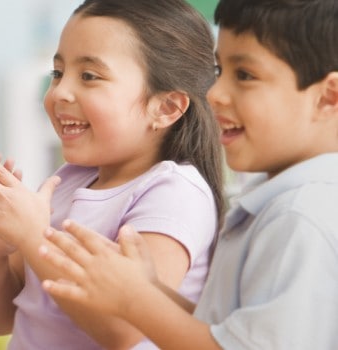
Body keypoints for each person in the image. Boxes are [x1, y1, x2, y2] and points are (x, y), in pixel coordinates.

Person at [39, 0, 338, 348]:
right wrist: (147, 290)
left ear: (328, 97)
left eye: (245, 75)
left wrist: (135, 301)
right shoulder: (281, 204)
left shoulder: (300, 216)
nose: (215, 94)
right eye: (219, 71)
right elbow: (225, 332)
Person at [0, 0, 224, 348]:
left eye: (89, 76)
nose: (59, 92)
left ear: (165, 107)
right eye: (58, 73)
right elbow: (1, 319)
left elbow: (124, 329)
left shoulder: (173, 193)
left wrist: (32, 237)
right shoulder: (70, 179)